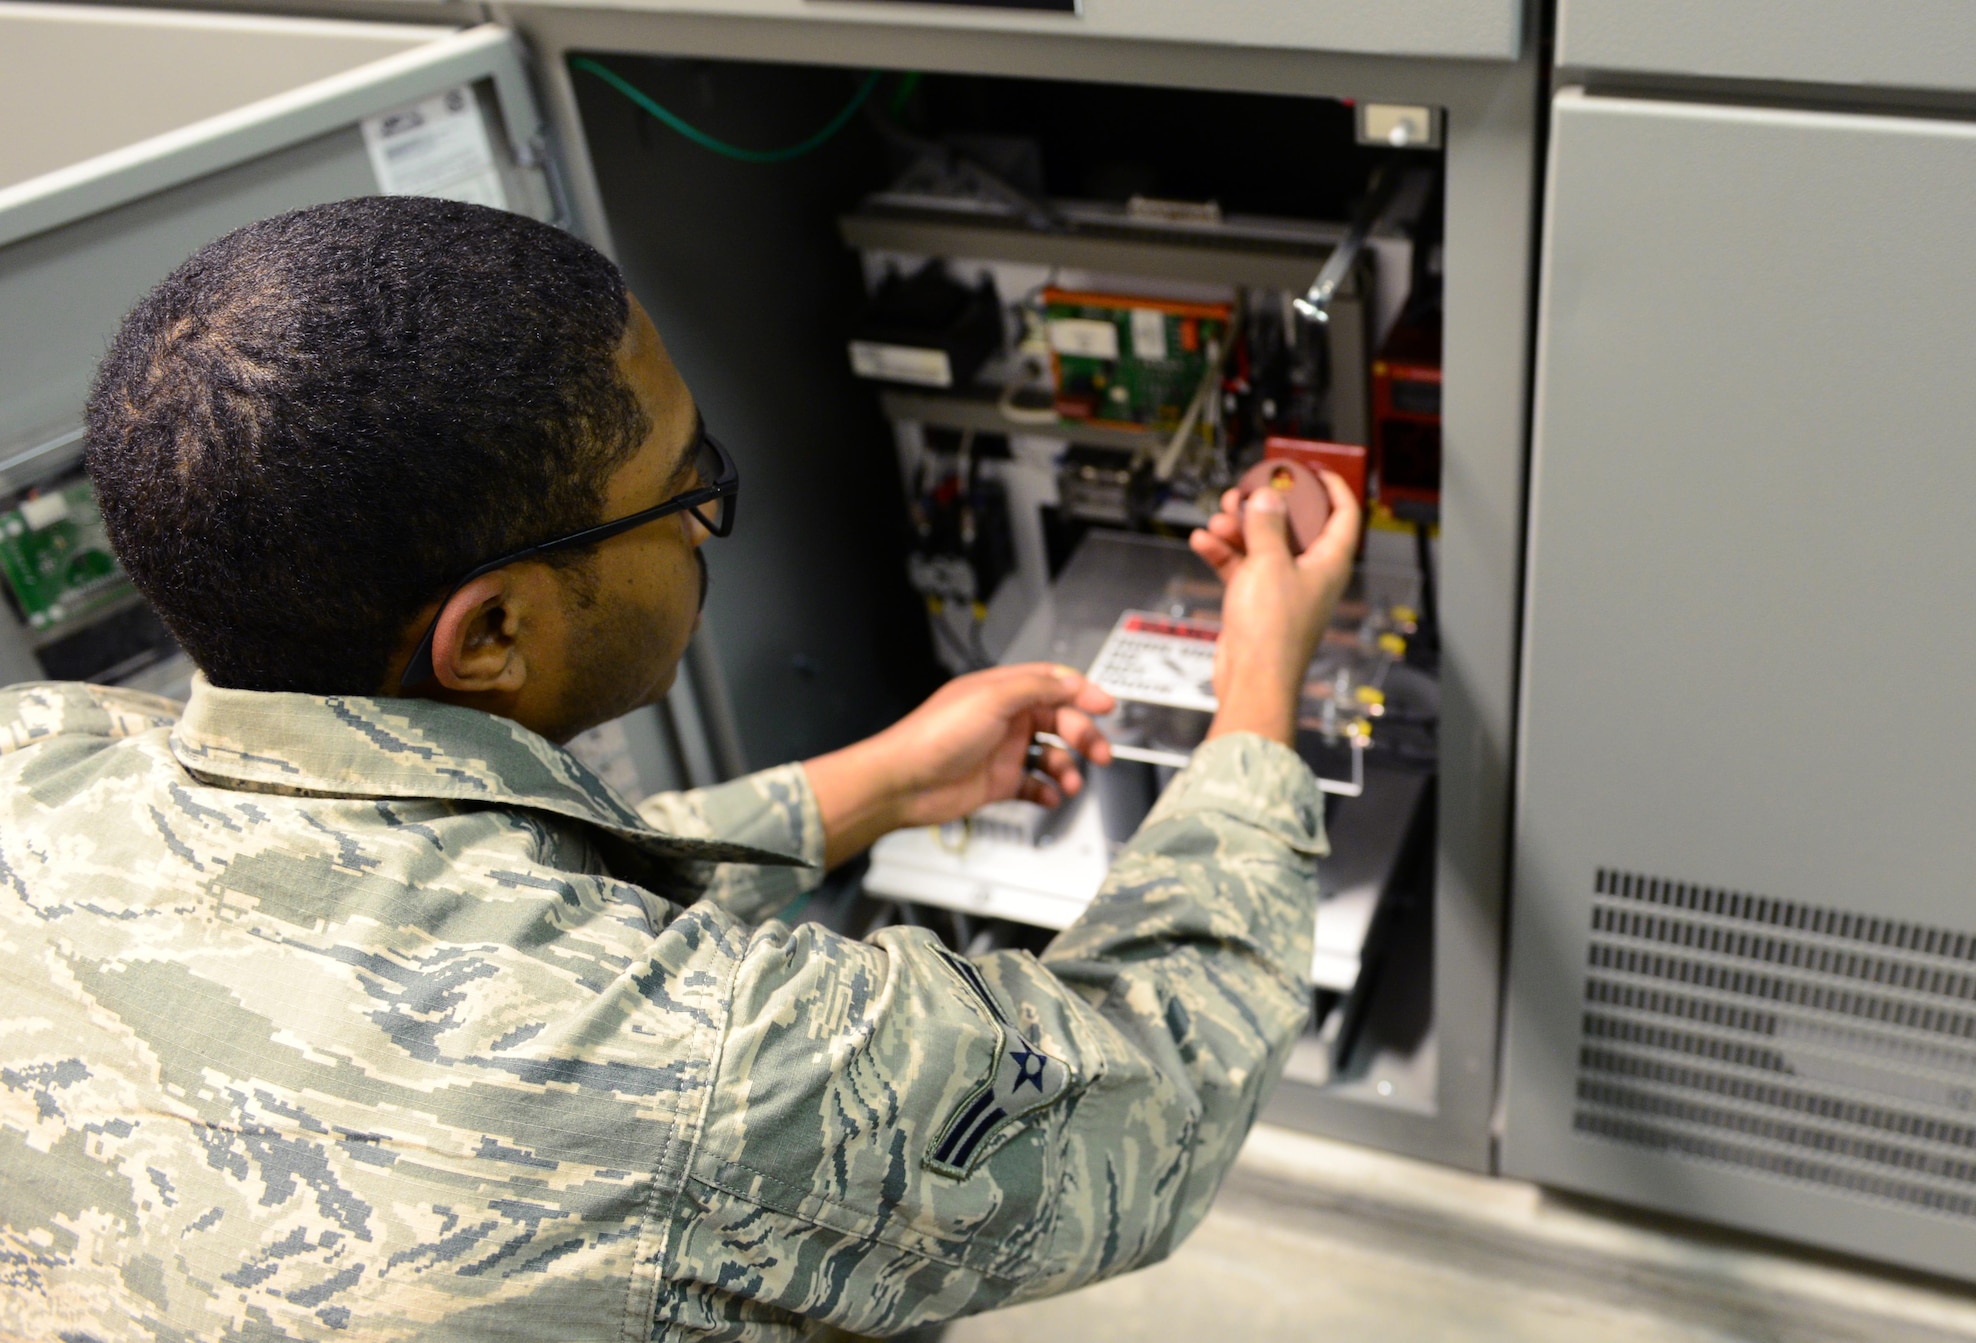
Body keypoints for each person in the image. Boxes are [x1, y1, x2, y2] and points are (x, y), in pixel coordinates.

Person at [0, 197, 1361, 1342]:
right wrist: (1257, 686)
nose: (711, 514)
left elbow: (449, 899)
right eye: (683, 486)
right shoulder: (726, 1079)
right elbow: (1163, 1089)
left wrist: (865, 789)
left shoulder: (35, 765)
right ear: (494, 635)